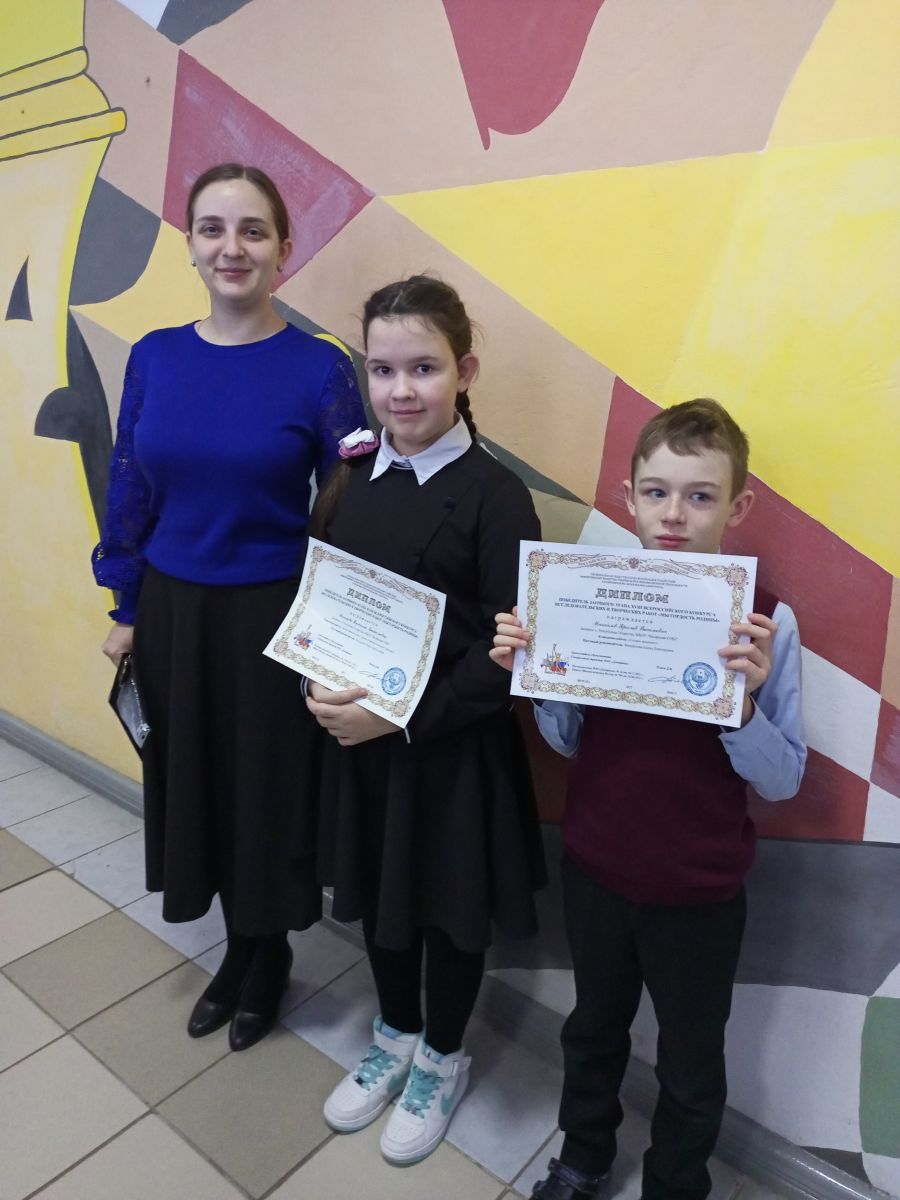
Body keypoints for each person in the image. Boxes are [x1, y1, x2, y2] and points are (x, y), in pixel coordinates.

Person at [491, 399, 806, 1200]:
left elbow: (782, 780)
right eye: (658, 492)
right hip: (597, 871)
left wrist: (741, 704)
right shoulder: (587, 593)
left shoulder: (767, 624)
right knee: (591, 1030)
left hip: (700, 894)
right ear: (628, 497)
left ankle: (676, 1183)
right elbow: (569, 742)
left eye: (700, 496)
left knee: (691, 1061)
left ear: (738, 506)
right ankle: (582, 1157)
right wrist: (541, 673)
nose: (674, 514)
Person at [91, 163, 366, 1051]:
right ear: (191, 244)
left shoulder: (321, 369)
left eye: (253, 230)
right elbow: (129, 482)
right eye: (213, 228)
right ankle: (236, 949)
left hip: (275, 616)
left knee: (264, 792)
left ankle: (265, 952)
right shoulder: (156, 356)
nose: (232, 247)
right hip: (174, 613)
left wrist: (348, 629)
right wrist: (127, 602)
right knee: (198, 781)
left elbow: (356, 503)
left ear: (285, 248)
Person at [305, 275, 546, 1165]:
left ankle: (442, 1056)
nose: (401, 390)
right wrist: (316, 684)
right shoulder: (351, 477)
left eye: (424, 368)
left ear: (463, 371)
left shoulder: (497, 496)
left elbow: (507, 655)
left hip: (448, 751)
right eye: (383, 370)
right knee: (377, 893)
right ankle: (394, 1034)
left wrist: (399, 720)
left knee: (447, 912)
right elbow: (324, 603)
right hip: (361, 748)